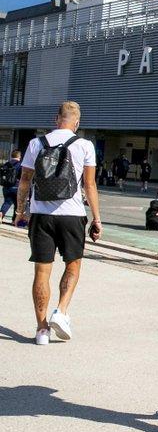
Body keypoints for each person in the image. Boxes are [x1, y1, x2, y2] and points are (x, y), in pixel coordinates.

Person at [14, 101, 102, 345]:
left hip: (41, 214)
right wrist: (96, 217)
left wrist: (21, 211)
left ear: (56, 120)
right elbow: (90, 185)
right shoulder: (84, 145)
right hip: (72, 215)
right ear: (77, 122)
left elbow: (24, 181)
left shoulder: (36, 143)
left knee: (42, 271)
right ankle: (61, 311)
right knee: (73, 265)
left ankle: (42, 329)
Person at [0, 149, 22, 223]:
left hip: (6, 187)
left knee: (7, 202)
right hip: (16, 187)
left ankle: (1, 214)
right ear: (19, 156)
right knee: (17, 204)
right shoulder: (20, 165)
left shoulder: (6, 164)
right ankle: (14, 220)